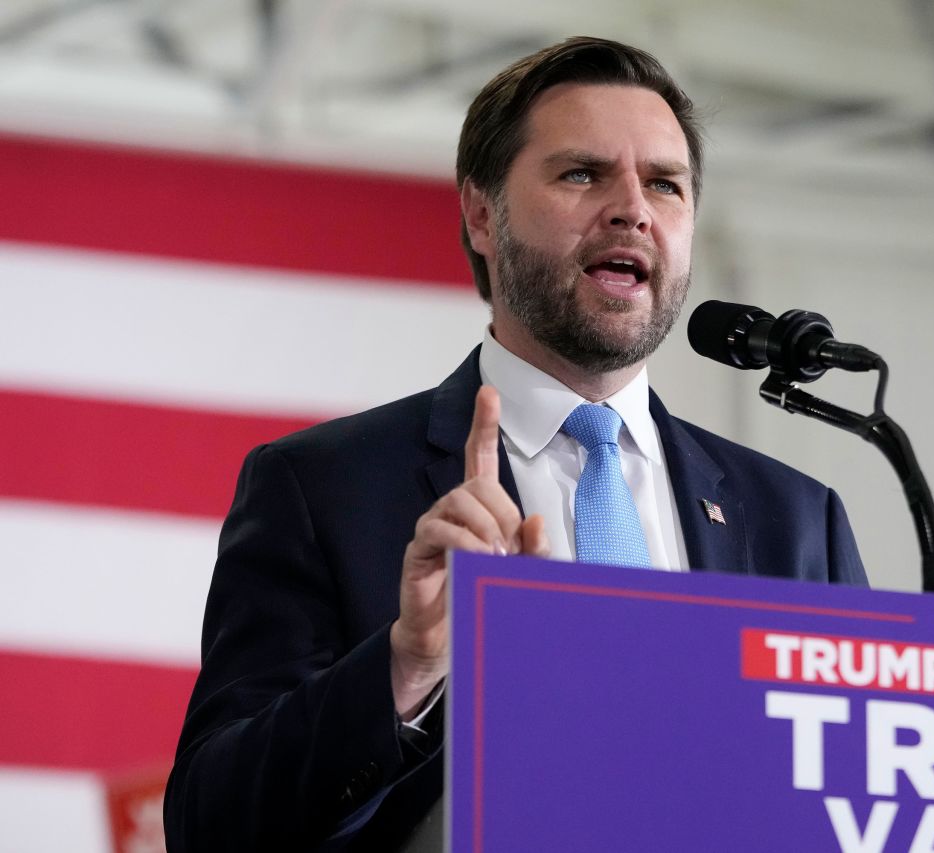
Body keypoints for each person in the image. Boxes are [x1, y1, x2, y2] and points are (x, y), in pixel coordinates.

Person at [164, 36, 868, 853]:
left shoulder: (797, 522)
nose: (632, 208)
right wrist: (407, 667)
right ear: (480, 214)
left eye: (665, 185)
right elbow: (210, 826)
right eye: (582, 174)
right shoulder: (323, 488)